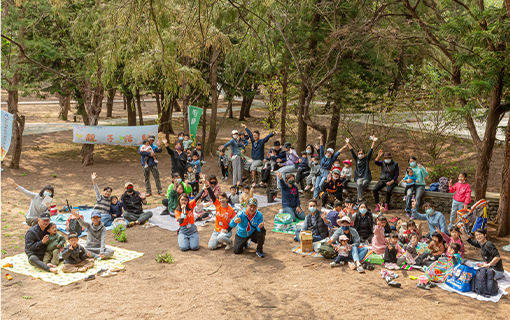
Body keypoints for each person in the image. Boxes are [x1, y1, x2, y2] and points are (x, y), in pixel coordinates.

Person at [175, 176, 209, 251]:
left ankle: (192, 239)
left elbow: (197, 197)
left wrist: (204, 188)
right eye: (182, 200)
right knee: (184, 248)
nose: (184, 202)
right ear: (179, 201)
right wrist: (183, 211)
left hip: (192, 229)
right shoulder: (177, 210)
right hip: (183, 230)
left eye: (185, 200)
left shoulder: (190, 204)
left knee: (194, 247)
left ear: (187, 201)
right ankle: (183, 238)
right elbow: (180, 221)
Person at [346, 136, 377, 205]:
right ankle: (360, 200)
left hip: (366, 177)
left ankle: (359, 200)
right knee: (360, 184)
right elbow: (352, 151)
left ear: (364, 154)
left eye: (361, 153)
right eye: (359, 154)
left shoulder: (366, 159)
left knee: (360, 185)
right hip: (359, 178)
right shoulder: (356, 159)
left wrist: (373, 142)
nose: (360, 154)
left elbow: (371, 150)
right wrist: (348, 143)